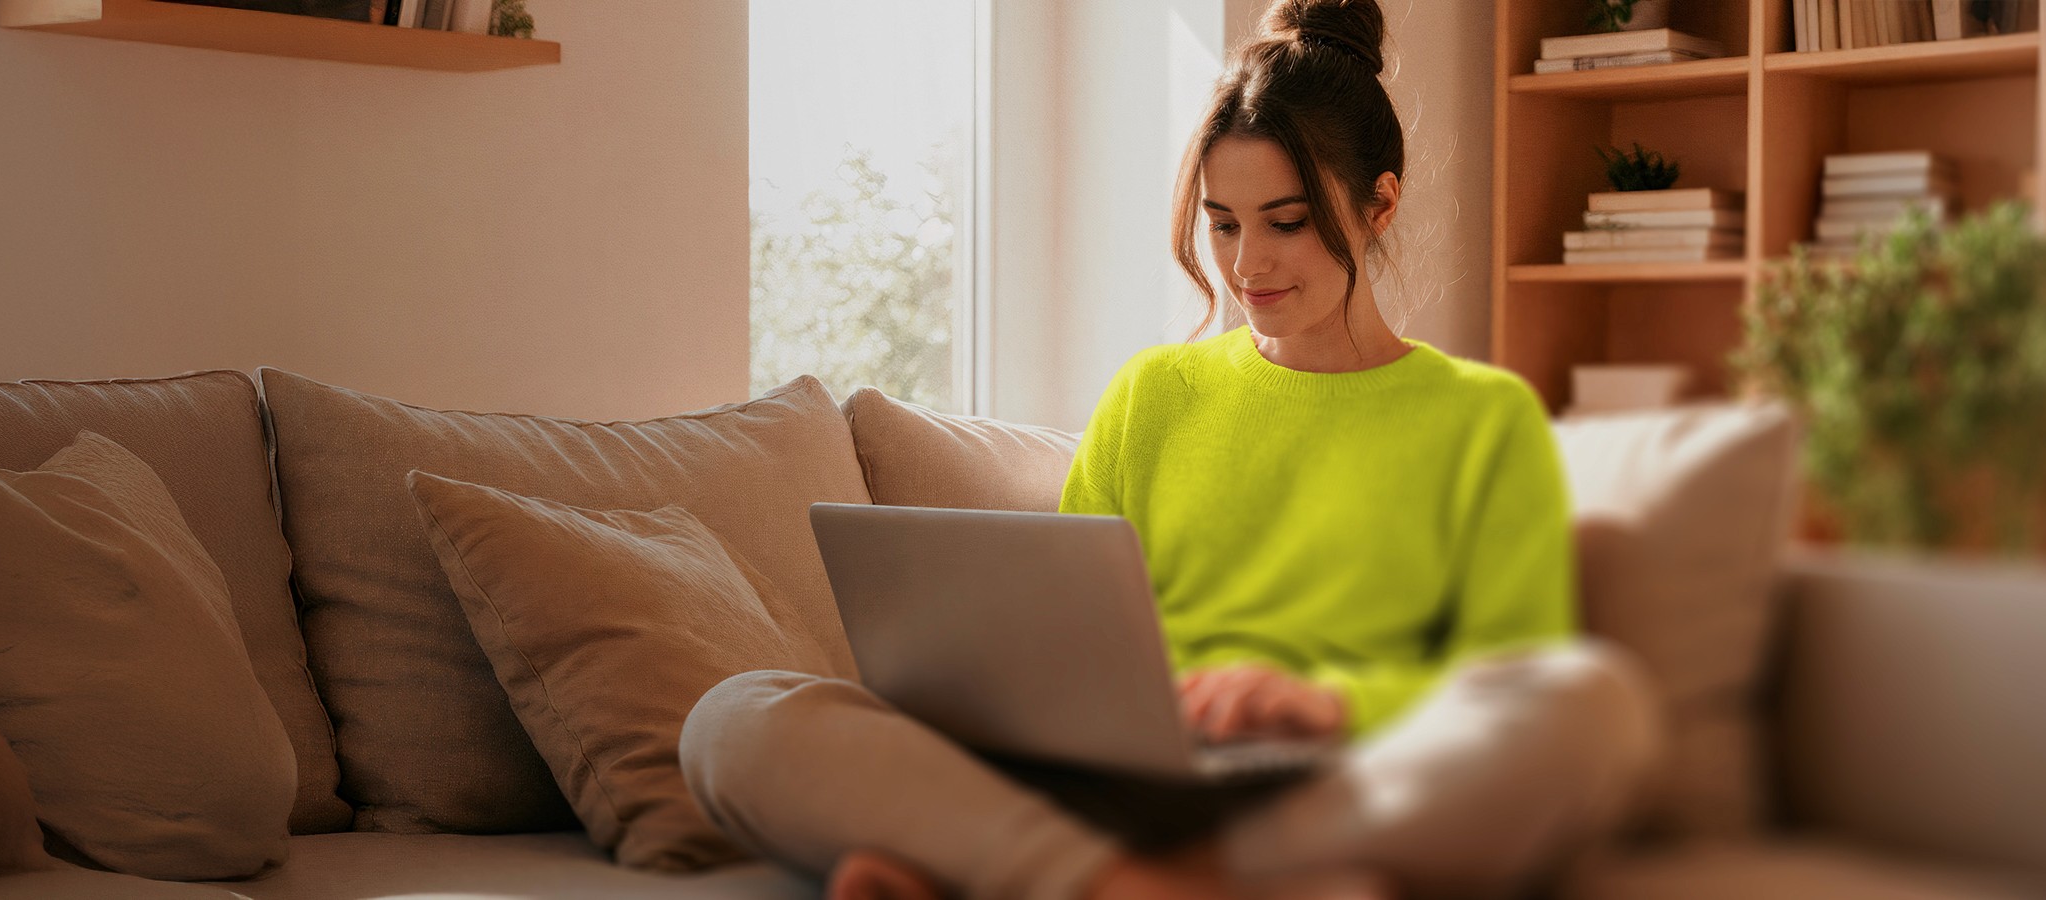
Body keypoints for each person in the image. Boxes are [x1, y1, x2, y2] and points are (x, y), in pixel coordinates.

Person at [677, 1, 1663, 897]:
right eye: (1223, 224)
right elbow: (1054, 629)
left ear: (1380, 205)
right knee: (736, 716)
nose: (1246, 265)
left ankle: (1057, 876)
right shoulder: (1156, 391)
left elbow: (1506, 670)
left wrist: (1322, 702)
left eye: (1286, 223)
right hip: (1110, 777)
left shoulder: (1480, 417)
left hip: (1329, 783)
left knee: (1592, 705)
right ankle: (1128, 883)